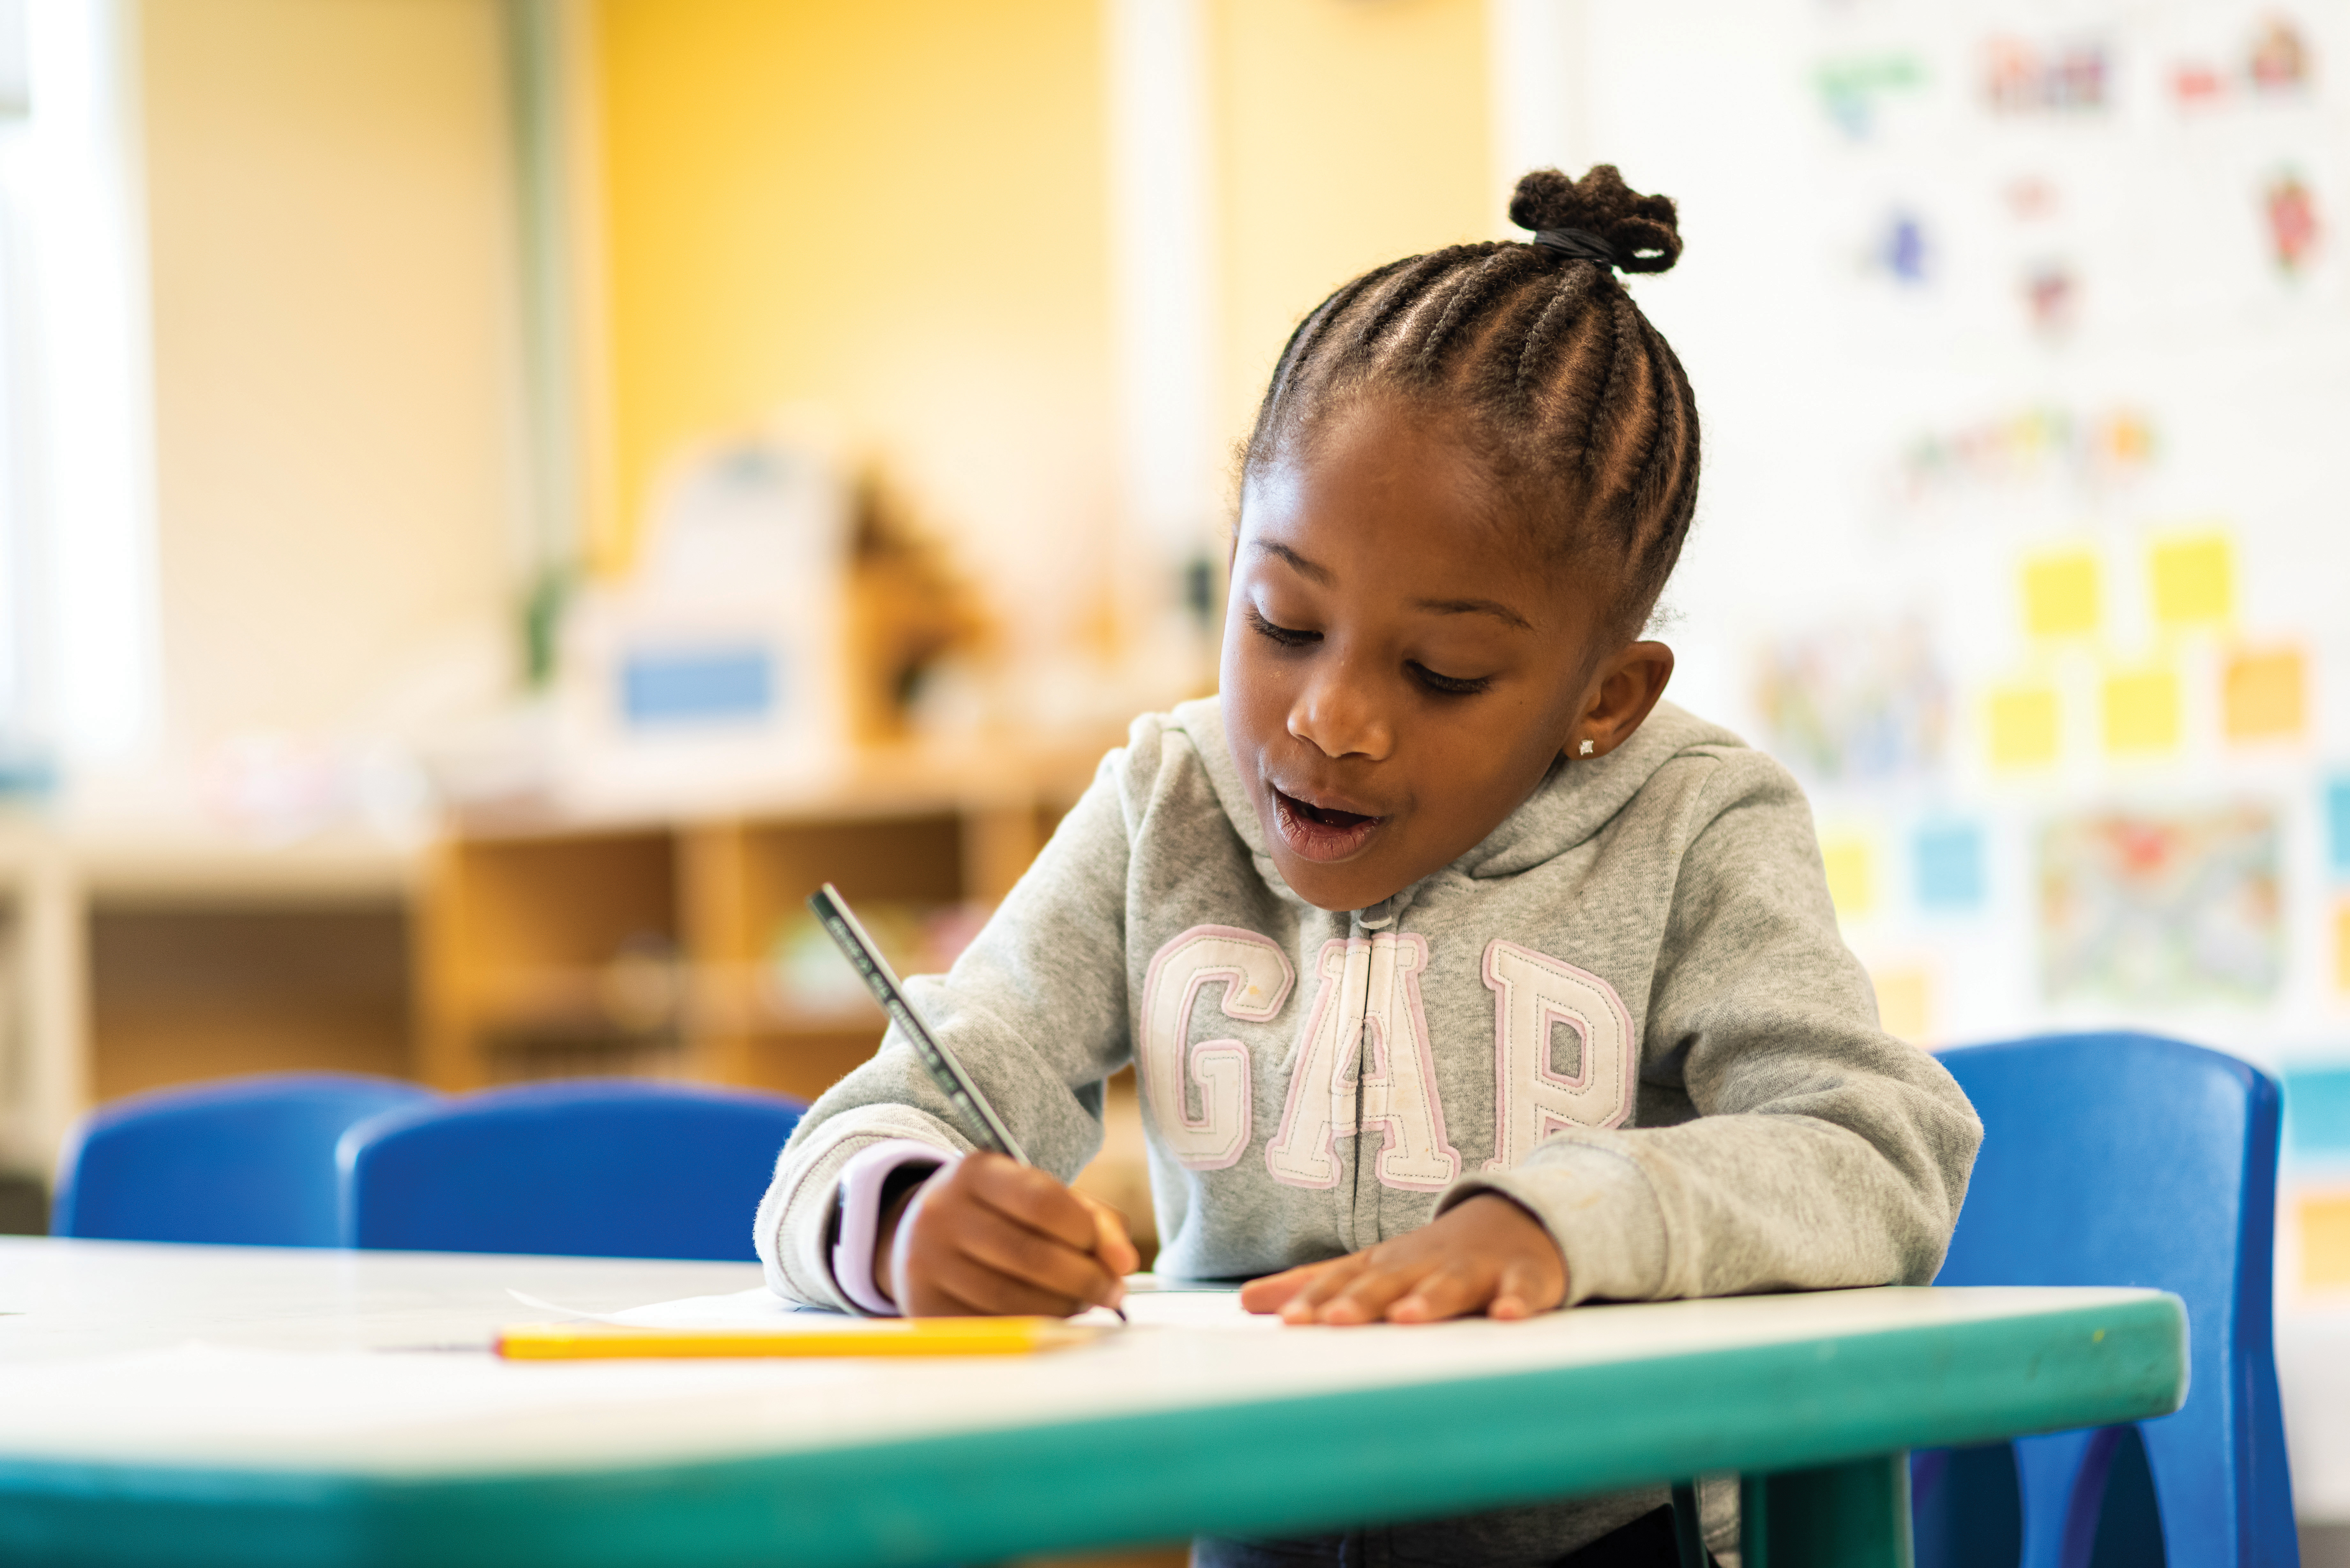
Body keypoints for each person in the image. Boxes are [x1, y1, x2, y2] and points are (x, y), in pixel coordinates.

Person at [754, 165, 1982, 1567]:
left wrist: (1560, 1222)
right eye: (1282, 620)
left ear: (1604, 697)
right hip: (1259, 1533)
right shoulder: (1169, 801)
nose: (1330, 717)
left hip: (1600, 1542)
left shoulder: (1697, 828)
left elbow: (1879, 1154)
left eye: (1442, 670)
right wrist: (900, 1208)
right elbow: (870, 1123)